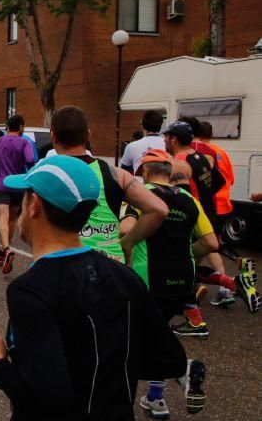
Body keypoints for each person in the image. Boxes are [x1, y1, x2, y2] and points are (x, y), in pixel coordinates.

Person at [0, 155, 198, 421]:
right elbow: (169, 360)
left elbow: (46, 400)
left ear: (34, 205)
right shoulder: (123, 276)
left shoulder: (31, 290)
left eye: (25, 195)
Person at [118, 149, 210, 418]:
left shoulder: (141, 194)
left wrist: (128, 247)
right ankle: (156, 398)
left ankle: (181, 371)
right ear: (168, 172)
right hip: (182, 280)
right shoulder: (189, 199)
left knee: (132, 342)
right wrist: (184, 254)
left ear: (144, 171)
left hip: (147, 279)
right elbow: (210, 242)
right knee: (157, 332)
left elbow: (125, 229)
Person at [47, 107, 168, 267]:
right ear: (88, 135)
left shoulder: (44, 174)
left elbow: (26, 228)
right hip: (110, 268)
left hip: (63, 266)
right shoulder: (115, 174)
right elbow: (159, 209)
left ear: (53, 136)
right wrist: (127, 242)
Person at [164, 121, 256, 311]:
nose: (164, 140)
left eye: (166, 136)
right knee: (190, 264)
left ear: (173, 139)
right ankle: (195, 296)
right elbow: (220, 180)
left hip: (193, 218)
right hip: (209, 211)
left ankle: (230, 285)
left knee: (179, 261)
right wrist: (205, 197)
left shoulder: (179, 162)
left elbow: (179, 197)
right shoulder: (200, 156)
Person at [0, 115, 34, 273]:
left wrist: (0, 162)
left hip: (2, 184)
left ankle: (6, 249)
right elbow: (30, 159)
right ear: (21, 127)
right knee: (12, 220)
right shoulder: (25, 142)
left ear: (8, 127)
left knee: (2, 219)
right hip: (18, 185)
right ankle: (4, 251)